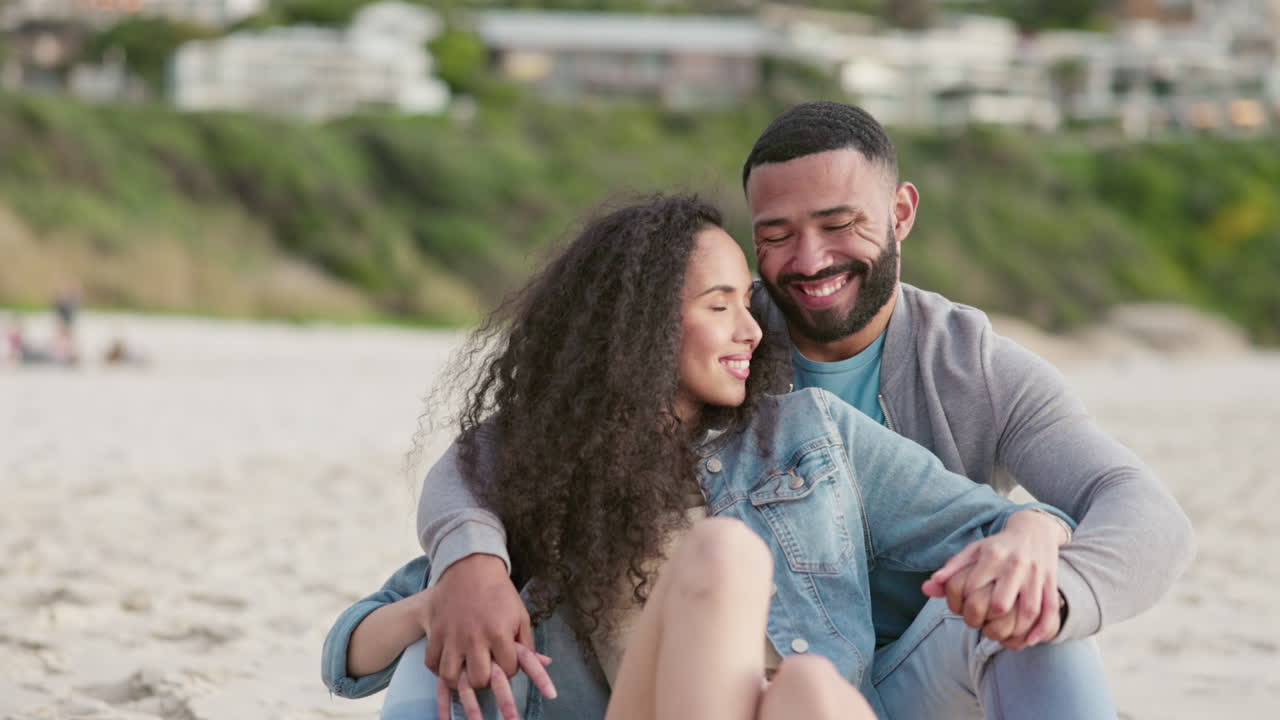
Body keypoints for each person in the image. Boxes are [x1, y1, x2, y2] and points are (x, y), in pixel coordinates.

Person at [371, 102, 1197, 718]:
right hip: (706, 676)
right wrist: (468, 565)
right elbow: (496, 455)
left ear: (901, 213)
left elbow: (1144, 514)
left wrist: (1040, 544)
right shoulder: (723, 339)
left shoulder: (970, 366)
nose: (809, 261)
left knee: (1034, 616)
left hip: (890, 680)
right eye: (776, 234)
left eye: (840, 224)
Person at [321, 195, 1087, 720]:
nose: (752, 331)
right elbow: (346, 654)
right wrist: (446, 593)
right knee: (725, 552)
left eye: (747, 305)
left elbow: (1002, 525)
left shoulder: (810, 435)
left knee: (813, 687)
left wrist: (1032, 530)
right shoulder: (542, 475)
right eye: (719, 306)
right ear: (638, 329)